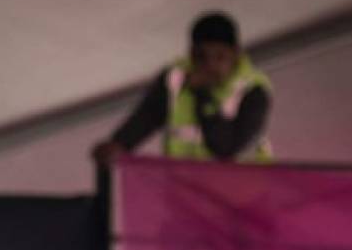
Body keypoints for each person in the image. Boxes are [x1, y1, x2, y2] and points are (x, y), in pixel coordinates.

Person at [92, 11, 272, 164]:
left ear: (236, 54)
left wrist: (203, 95)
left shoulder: (253, 89)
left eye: (219, 57)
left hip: (241, 197)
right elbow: (146, 117)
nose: (209, 65)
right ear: (190, 54)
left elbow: (227, 148)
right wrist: (119, 144)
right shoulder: (175, 79)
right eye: (200, 57)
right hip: (185, 192)